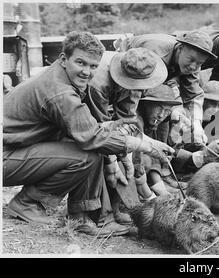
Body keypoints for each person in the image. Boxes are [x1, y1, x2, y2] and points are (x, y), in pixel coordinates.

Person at [2, 31, 174, 237]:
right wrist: (143, 146)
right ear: (64, 59)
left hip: (18, 147)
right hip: (7, 155)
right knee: (88, 155)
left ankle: (78, 215)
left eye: (93, 66)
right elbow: (92, 137)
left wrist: (145, 140)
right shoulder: (61, 92)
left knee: (89, 146)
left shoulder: (62, 76)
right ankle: (28, 204)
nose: (87, 72)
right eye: (81, 63)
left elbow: (90, 126)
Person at [83, 47, 168, 226]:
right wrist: (112, 161)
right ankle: (99, 214)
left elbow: (127, 122)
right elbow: (101, 132)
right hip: (82, 122)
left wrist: (133, 154)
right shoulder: (98, 82)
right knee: (102, 157)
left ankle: (117, 207)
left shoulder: (138, 76)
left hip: (103, 125)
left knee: (124, 153)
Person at [119, 30, 217, 145]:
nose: (194, 66)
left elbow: (193, 95)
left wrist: (196, 125)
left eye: (199, 63)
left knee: (164, 116)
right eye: (191, 60)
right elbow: (135, 90)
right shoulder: (154, 55)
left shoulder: (192, 64)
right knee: (136, 118)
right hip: (131, 63)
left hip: (162, 75)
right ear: (180, 48)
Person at [133, 84, 183, 197]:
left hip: (145, 168)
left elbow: (162, 147)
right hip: (132, 168)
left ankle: (158, 182)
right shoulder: (136, 119)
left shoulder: (161, 121)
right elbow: (138, 158)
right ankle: (149, 190)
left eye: (166, 111)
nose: (161, 115)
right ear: (146, 104)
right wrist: (149, 196)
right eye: (159, 108)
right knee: (147, 154)